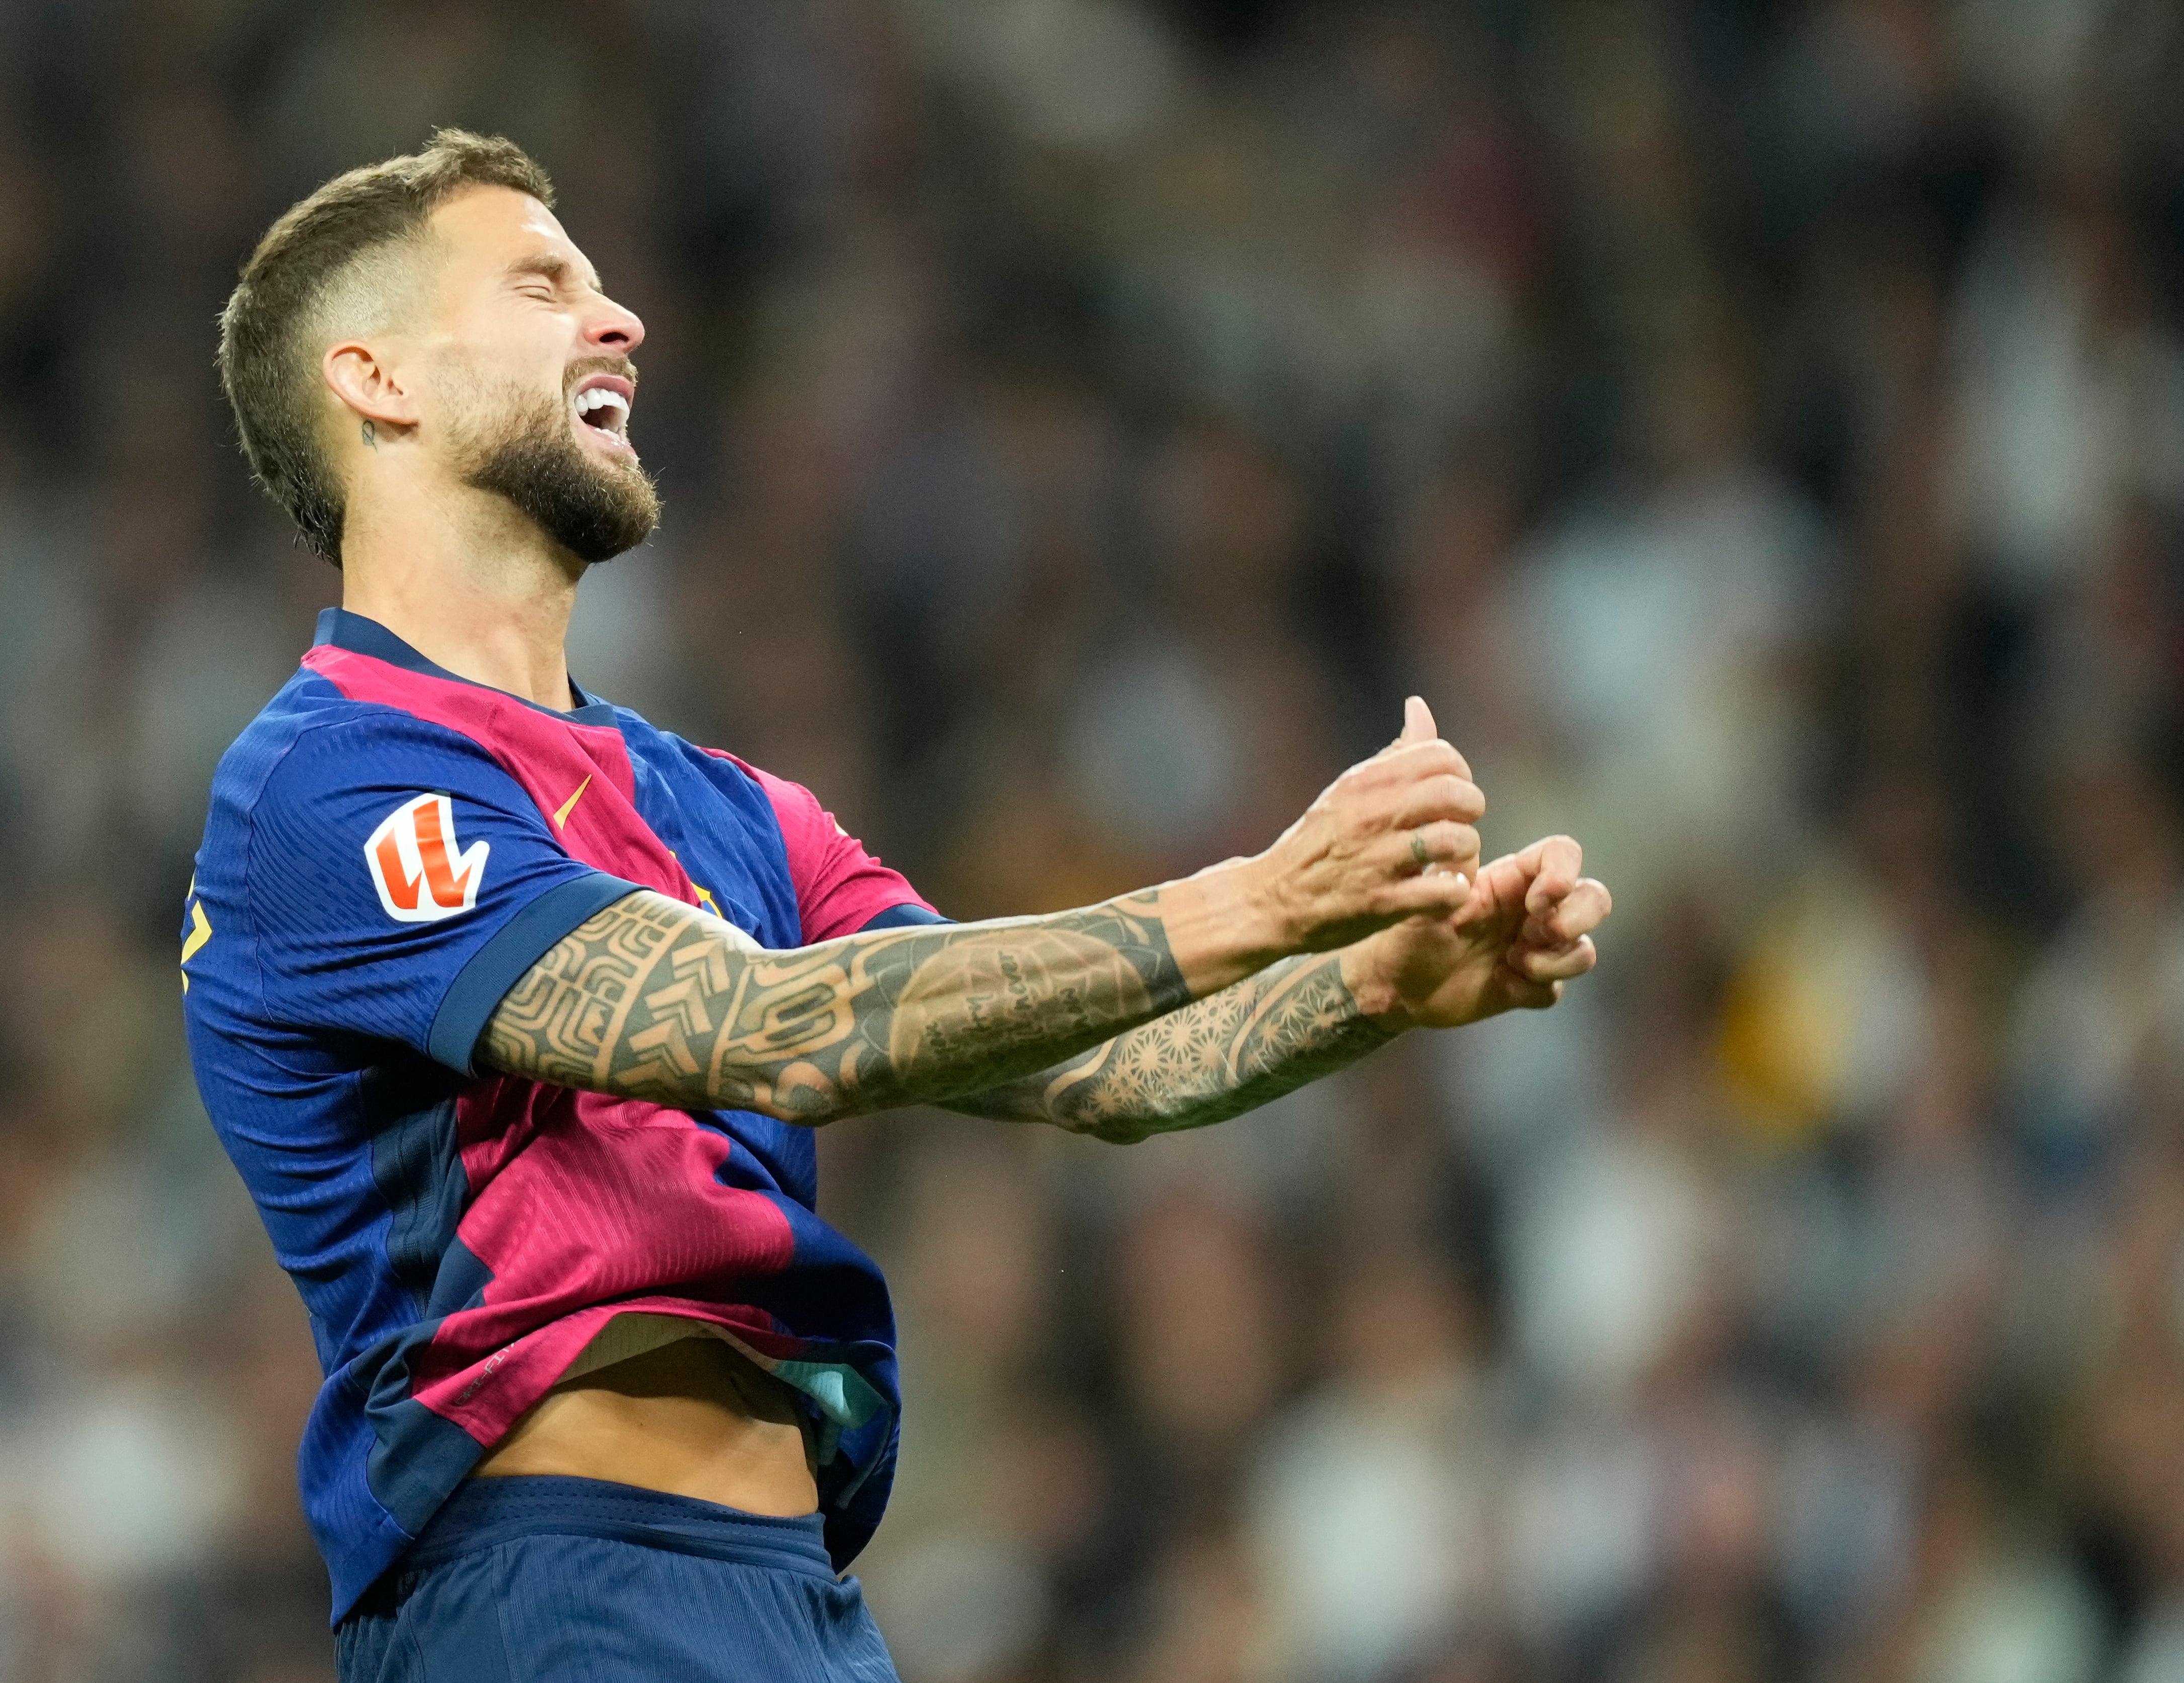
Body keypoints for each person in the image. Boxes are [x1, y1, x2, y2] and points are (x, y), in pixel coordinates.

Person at [182, 129, 1612, 1682]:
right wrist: (1264, 897)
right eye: (543, 284)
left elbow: (1102, 1067)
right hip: (547, 1592)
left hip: (800, 1602)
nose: (622, 321)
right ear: (376, 379)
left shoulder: (725, 809)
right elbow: (767, 1032)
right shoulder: (327, 784)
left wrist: (1372, 987)